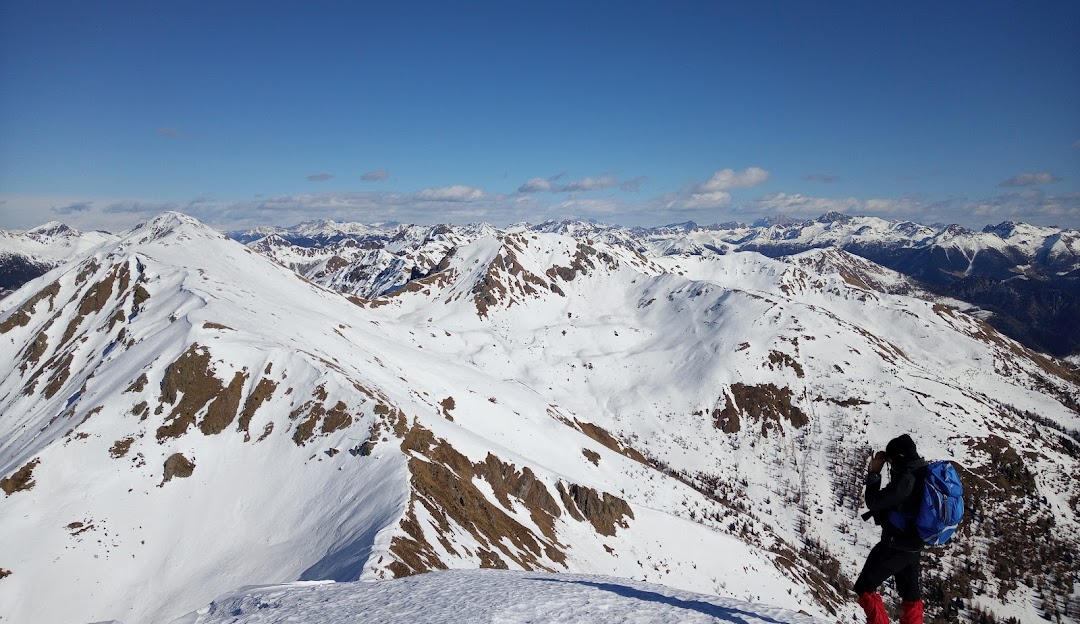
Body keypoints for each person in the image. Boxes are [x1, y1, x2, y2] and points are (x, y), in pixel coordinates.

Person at [854, 434, 928, 624]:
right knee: (910, 597)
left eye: (891, 459)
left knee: (865, 587)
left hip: (896, 545)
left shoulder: (905, 480)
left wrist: (875, 473)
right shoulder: (922, 471)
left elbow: (873, 502)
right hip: (914, 545)